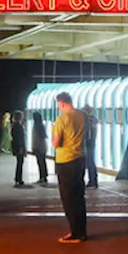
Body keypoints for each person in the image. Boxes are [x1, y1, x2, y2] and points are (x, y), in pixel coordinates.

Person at [52, 92, 89, 243]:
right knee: (79, 196)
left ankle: (75, 232)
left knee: (68, 198)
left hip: (65, 160)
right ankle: (82, 230)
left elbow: (55, 143)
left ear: (61, 103)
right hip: (80, 158)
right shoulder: (83, 115)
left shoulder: (62, 119)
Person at [83, 105, 99, 189]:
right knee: (90, 162)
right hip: (91, 144)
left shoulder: (88, 120)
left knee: (89, 162)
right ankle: (93, 180)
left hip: (88, 144)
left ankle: (92, 180)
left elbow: (87, 133)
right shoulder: (94, 120)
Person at [31, 112, 49, 185]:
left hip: (38, 147)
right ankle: (44, 176)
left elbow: (35, 138)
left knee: (40, 162)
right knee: (43, 162)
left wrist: (34, 147)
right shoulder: (42, 125)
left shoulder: (36, 126)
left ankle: (42, 177)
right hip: (43, 146)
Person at [11, 111, 29, 187]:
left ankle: (18, 178)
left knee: (19, 162)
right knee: (20, 163)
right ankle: (19, 178)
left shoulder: (14, 125)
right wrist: (21, 148)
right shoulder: (18, 126)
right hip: (19, 147)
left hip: (16, 146)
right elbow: (20, 138)